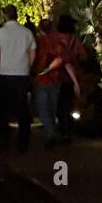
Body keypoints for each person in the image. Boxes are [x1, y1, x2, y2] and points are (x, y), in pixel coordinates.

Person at [0, 5, 36, 151]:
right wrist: (27, 66)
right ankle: (23, 141)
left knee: (2, 108)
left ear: (5, 15)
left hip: (5, 73)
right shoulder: (27, 32)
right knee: (22, 108)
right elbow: (33, 52)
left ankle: (3, 139)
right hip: (22, 74)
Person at [31, 17, 65, 147]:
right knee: (51, 108)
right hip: (55, 79)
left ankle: (50, 134)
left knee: (43, 109)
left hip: (41, 79)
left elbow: (33, 58)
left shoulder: (38, 41)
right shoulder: (57, 41)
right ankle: (51, 133)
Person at [55, 14, 87, 144]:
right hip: (71, 77)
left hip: (56, 76)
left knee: (58, 105)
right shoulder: (75, 41)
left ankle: (63, 130)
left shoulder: (55, 40)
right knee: (68, 104)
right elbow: (83, 56)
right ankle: (68, 130)